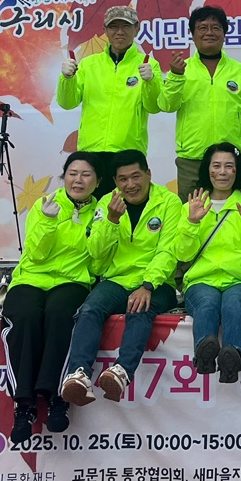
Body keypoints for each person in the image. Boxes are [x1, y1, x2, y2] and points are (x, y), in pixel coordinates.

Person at [59, 151, 182, 409]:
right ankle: (79, 374)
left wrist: (147, 285)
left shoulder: (169, 202)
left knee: (140, 308)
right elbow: (96, 254)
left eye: (136, 176)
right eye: (123, 179)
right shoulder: (107, 203)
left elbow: (168, 252)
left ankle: (122, 371)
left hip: (158, 283)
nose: (130, 185)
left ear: (148, 174)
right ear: (115, 182)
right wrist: (111, 221)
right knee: (90, 308)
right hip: (116, 280)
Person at [2, 151, 105, 445]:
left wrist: (107, 224)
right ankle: (24, 404)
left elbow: (98, 260)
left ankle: (58, 397)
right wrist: (48, 222)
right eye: (73, 173)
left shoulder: (101, 211)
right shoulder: (44, 204)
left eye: (86, 175)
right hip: (32, 278)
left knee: (61, 314)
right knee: (25, 315)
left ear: (97, 182)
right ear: (64, 176)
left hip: (73, 281)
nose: (78, 180)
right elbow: (35, 254)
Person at [177, 143, 241, 384]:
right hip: (201, 281)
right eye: (216, 166)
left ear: (237, 170)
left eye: (229, 166)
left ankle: (232, 356)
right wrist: (192, 223)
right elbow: (182, 254)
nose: (222, 172)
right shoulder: (192, 206)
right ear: (207, 169)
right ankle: (204, 355)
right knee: (207, 303)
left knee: (234, 303)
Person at [157, 5, 241, 199]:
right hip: (192, 159)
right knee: (191, 213)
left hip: (229, 158)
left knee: (228, 213)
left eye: (216, 27)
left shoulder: (240, 72)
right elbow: (167, 105)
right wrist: (176, 76)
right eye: (202, 27)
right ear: (192, 34)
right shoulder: (182, 69)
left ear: (224, 34)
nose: (209, 32)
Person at [56, 5, 162, 155]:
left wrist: (150, 81)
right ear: (105, 30)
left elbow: (154, 107)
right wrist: (67, 79)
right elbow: (67, 103)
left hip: (129, 152)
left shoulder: (149, 64)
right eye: (113, 26)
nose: (120, 32)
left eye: (126, 26)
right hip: (91, 150)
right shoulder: (88, 64)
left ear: (137, 28)